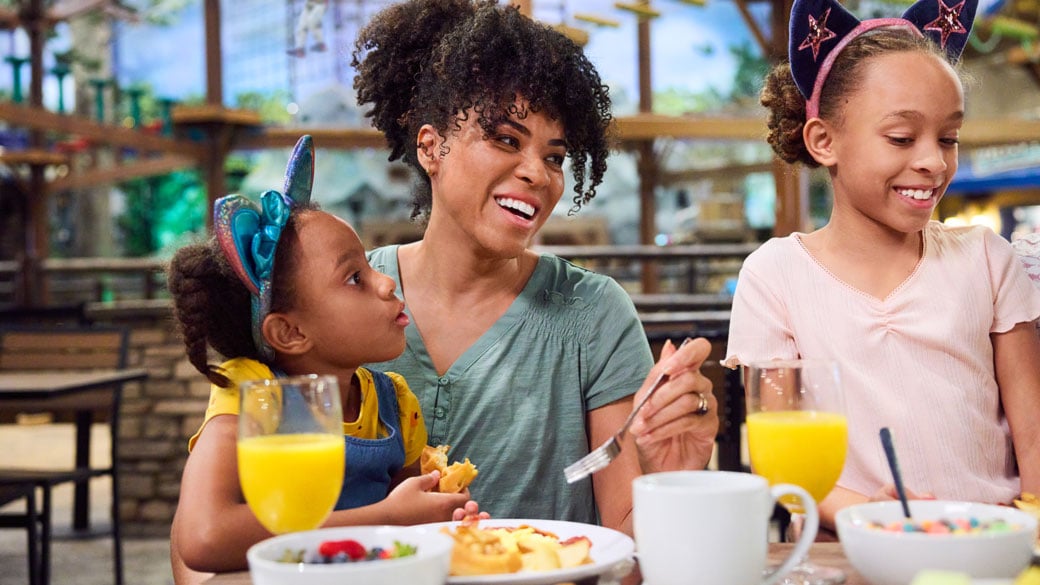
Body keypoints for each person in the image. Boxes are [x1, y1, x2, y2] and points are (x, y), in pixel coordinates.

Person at [351, 0, 720, 536]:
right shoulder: (343, 297)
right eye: (505, 139)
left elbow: (627, 544)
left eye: (553, 157)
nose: (537, 174)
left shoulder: (593, 315)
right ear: (431, 147)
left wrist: (672, 474)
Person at [725, 0, 1040, 531]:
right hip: (849, 554)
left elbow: (1033, 433)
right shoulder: (774, 275)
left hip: (993, 549)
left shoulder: (988, 261)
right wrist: (870, 516)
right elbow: (775, 453)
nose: (934, 162)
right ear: (824, 141)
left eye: (948, 138)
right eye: (901, 138)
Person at [167, 136, 479, 577]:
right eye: (355, 277)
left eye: (371, 267)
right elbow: (203, 538)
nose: (386, 283)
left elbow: (410, 525)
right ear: (290, 331)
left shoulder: (395, 406)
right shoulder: (255, 393)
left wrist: (441, 519)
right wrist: (385, 518)